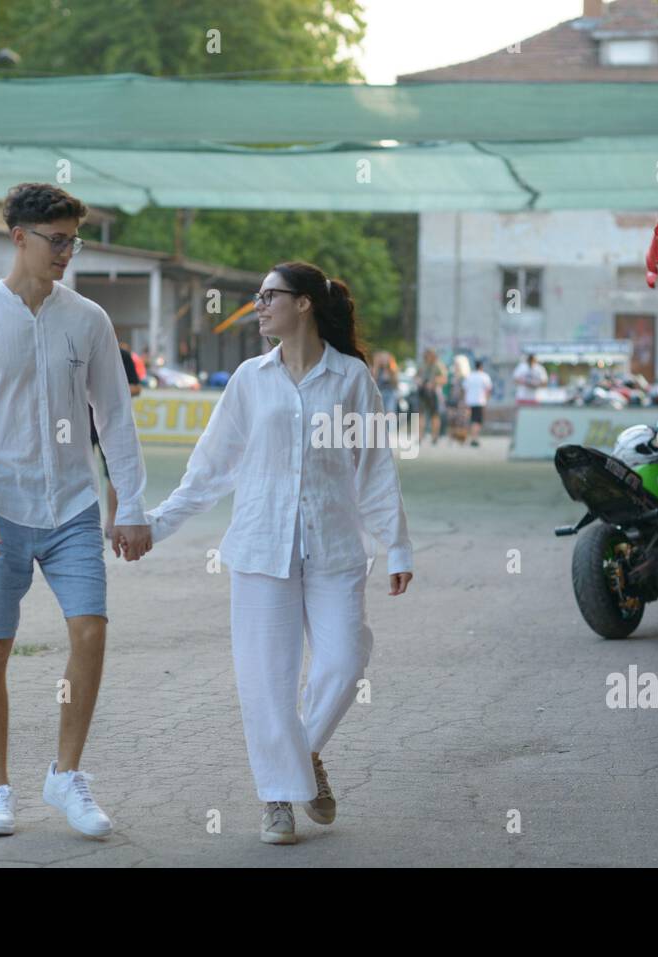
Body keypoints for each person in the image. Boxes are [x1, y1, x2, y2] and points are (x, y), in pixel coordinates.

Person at [146, 260, 413, 846]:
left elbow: (374, 470)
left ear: (304, 305)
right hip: (261, 548)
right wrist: (157, 523)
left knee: (344, 662)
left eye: (270, 296)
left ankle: (304, 754)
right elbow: (210, 467)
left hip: (335, 548)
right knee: (267, 680)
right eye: (259, 297)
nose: (259, 305)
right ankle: (278, 798)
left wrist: (396, 546)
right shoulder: (249, 379)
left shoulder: (351, 380)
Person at [0, 182, 151, 839]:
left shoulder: (88, 319)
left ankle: (65, 773)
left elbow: (114, 415)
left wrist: (131, 501)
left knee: (91, 628)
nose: (67, 252)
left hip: (74, 507)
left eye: (73, 240)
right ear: (18, 237)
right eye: (58, 240)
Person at [89, 340, 143, 538]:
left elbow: (137, 387)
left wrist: (113, 392)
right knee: (78, 471)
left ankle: (111, 520)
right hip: (79, 422)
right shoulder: (80, 351)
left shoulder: (123, 356)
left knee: (113, 472)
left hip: (112, 422)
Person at [416, 348, 447, 444]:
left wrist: (433, 383)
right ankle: (420, 436)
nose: (428, 356)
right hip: (422, 392)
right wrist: (419, 381)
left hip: (434, 392)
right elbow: (416, 376)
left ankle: (435, 437)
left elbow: (444, 379)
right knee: (421, 414)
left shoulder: (438, 365)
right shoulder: (422, 364)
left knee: (435, 415)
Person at [463, 358, 493, 447]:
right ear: (481, 367)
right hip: (479, 401)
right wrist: (486, 400)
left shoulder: (469, 376)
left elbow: (465, 389)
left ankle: (471, 437)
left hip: (469, 401)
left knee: (472, 420)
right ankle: (474, 438)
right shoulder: (484, 376)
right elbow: (488, 390)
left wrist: (465, 400)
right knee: (477, 420)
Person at [372, 350, 399, 415]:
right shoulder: (377, 369)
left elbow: (396, 384)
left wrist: (390, 374)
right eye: (382, 358)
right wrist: (377, 366)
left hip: (390, 393)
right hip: (379, 393)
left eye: (386, 358)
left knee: (390, 412)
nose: (384, 360)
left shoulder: (392, 370)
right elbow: (373, 382)